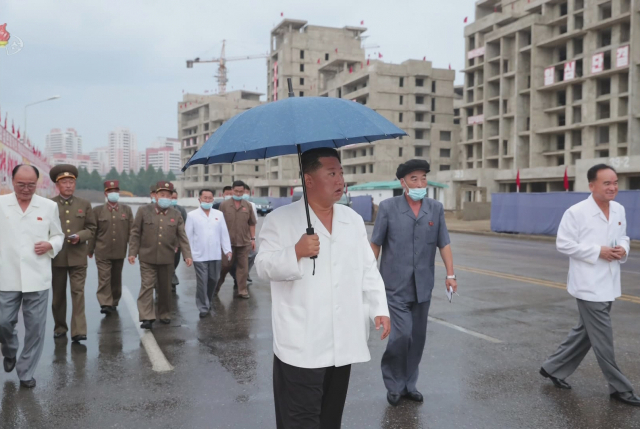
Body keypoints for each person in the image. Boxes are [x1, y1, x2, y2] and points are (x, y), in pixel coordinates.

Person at [255, 147, 390, 429]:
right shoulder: (280, 220)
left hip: (342, 338)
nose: (340, 179)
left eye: (341, 172)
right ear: (308, 180)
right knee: (300, 420)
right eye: (331, 173)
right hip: (301, 343)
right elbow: (263, 266)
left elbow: (367, 267)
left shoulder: (351, 220)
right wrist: (295, 251)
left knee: (330, 418)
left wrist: (379, 308)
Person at [540, 164, 640, 406]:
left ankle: (552, 368)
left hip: (609, 282)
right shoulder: (577, 212)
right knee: (603, 338)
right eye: (607, 183)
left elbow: (624, 237)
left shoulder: (618, 209)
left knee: (585, 333)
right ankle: (620, 389)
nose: (613, 187)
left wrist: (622, 249)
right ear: (592, 185)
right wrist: (598, 251)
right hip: (587, 285)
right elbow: (563, 244)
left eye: (615, 182)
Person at [370, 159, 457, 406]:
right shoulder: (388, 208)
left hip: (423, 286)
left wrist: (450, 275)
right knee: (401, 335)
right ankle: (394, 384)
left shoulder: (435, 208)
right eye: (414, 179)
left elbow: (444, 243)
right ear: (403, 182)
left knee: (417, 338)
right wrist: (366, 276)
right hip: (394, 285)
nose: (420, 183)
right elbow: (376, 243)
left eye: (423, 178)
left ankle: (409, 384)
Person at [0, 165, 64, 388]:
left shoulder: (48, 206)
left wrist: (50, 244)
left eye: (31, 185)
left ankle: (26, 371)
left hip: (37, 276)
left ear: (37, 183)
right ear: (12, 182)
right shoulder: (1, 204)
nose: (26, 189)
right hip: (6, 275)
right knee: (3, 322)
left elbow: (58, 235)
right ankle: (9, 350)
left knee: (35, 327)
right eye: (21, 184)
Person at [128, 181, 193, 330]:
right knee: (147, 286)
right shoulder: (143, 211)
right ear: (156, 196)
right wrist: (132, 252)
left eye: (168, 195)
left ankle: (164, 314)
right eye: (162, 195)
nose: (165, 198)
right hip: (147, 256)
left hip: (167, 257)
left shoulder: (176, 214)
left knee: (165, 288)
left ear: (171, 198)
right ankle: (147, 317)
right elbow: (135, 232)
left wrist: (187, 255)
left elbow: (182, 236)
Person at [50, 164, 97, 343]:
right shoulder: (50, 204)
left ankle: (79, 331)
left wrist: (81, 236)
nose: (68, 185)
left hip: (78, 257)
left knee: (78, 293)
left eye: (71, 182)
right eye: (64, 182)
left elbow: (92, 228)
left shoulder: (84, 204)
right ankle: (60, 327)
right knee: (58, 297)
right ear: (57, 185)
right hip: (57, 257)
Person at [88, 180, 133, 315]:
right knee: (104, 278)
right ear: (105, 193)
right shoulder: (97, 211)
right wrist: (89, 249)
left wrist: (133, 251)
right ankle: (105, 303)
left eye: (115, 191)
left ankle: (114, 301)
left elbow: (132, 232)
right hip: (102, 251)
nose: (113, 193)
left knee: (116, 278)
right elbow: (92, 232)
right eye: (110, 191)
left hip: (120, 251)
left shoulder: (126, 210)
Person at [186, 189, 232, 318]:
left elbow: (224, 233)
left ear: (213, 199)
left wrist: (227, 250)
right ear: (199, 199)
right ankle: (203, 307)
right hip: (198, 255)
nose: (207, 200)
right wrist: (187, 254)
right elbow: (187, 236)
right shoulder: (192, 215)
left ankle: (208, 300)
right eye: (204, 198)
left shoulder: (218, 214)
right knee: (202, 281)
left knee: (214, 279)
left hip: (215, 254)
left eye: (209, 198)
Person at [215, 181, 256, 299]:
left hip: (244, 242)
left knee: (243, 268)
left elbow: (252, 223)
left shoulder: (248, 205)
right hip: (228, 243)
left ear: (244, 192)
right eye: (236, 191)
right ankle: (215, 288)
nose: (238, 193)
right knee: (224, 266)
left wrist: (253, 239)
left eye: (241, 191)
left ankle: (242, 290)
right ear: (232, 190)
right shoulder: (224, 205)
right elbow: (218, 223)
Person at [230, 184, 259, 286]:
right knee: (230, 261)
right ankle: (237, 277)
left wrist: (253, 238)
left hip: (246, 238)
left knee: (252, 255)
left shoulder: (251, 205)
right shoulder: (227, 205)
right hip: (231, 238)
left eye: (246, 192)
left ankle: (244, 274)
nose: (243, 194)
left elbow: (253, 222)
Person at [170, 189, 188, 291]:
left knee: (175, 261)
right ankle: (172, 279)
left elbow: (184, 226)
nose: (173, 200)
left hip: (178, 242)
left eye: (175, 198)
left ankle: (172, 276)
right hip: (166, 242)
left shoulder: (181, 209)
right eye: (171, 198)